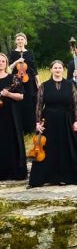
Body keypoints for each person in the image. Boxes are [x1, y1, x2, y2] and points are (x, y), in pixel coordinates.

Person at [28, 60, 77, 188]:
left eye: (60, 67)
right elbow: (39, 105)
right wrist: (38, 122)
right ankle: (44, 178)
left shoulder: (70, 85)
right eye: (55, 68)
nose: (57, 70)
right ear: (51, 70)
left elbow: (76, 103)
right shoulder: (44, 85)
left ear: (63, 70)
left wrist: (76, 120)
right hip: (48, 120)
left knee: (69, 148)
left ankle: (69, 177)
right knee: (47, 148)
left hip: (67, 120)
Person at [0, 53, 26, 181]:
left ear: (6, 63)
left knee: (11, 140)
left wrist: (8, 94)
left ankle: (13, 171)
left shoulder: (13, 78)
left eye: (3, 61)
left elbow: (21, 96)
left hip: (10, 114)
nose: (0, 63)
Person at [8, 32, 39, 134]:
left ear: (25, 41)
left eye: (22, 39)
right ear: (16, 41)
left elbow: (34, 68)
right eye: (18, 39)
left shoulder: (30, 52)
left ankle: (30, 128)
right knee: (18, 103)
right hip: (16, 81)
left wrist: (38, 81)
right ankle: (19, 128)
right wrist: (17, 61)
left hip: (29, 80)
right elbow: (9, 68)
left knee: (29, 103)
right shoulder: (13, 53)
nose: (20, 41)